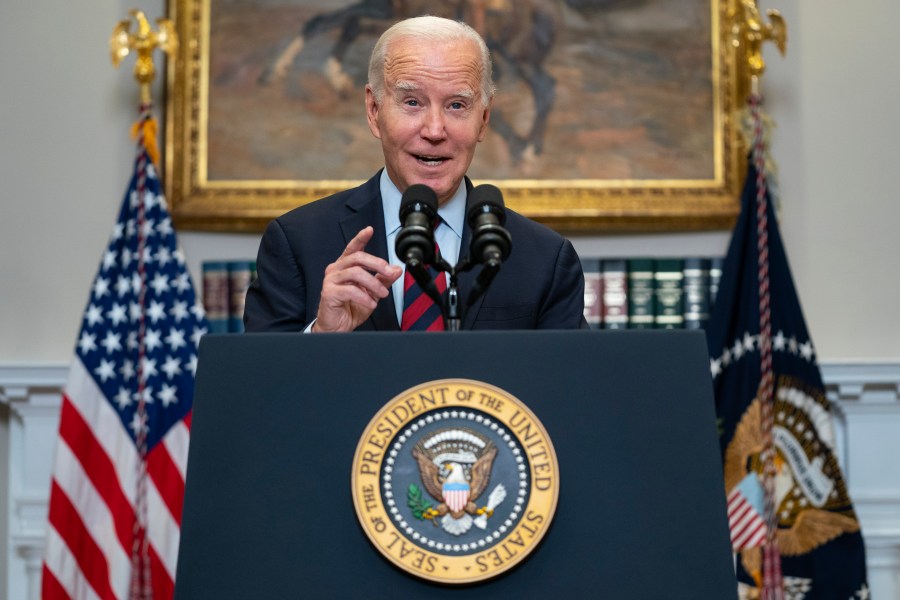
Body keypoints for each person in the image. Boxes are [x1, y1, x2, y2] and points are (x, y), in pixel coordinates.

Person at [244, 15, 585, 333]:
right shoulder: (297, 242)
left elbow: (570, 388)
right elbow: (256, 392)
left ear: (483, 118)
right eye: (412, 102)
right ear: (374, 110)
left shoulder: (545, 259)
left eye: (456, 105)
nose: (435, 130)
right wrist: (321, 335)